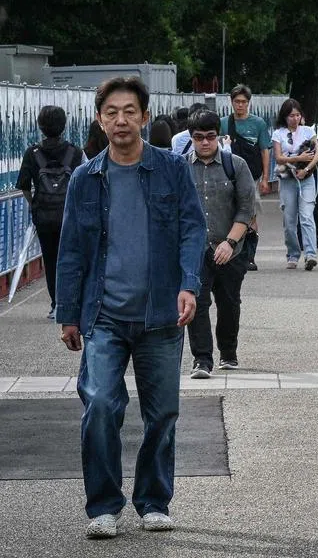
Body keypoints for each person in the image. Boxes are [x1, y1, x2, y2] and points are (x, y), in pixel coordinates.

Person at [55, 76, 207, 538]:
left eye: (129, 111)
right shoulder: (85, 178)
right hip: (104, 314)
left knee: (162, 413)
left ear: (143, 115)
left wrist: (189, 285)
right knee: (100, 401)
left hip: (162, 312)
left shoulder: (172, 169)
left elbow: (192, 230)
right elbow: (72, 249)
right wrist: (68, 312)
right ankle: (103, 505)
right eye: (111, 113)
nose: (120, 120)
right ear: (99, 120)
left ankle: (153, 500)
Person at [184, 109, 256, 379]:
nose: (205, 142)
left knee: (228, 303)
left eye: (210, 137)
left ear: (218, 136)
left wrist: (229, 241)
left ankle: (228, 352)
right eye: (198, 137)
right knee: (197, 304)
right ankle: (202, 359)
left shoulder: (235, 165)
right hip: (195, 251)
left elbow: (246, 209)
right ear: (191, 138)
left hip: (231, 249)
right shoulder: (180, 167)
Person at [17, 105, 84, 319]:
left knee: (51, 258)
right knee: (72, 259)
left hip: (44, 217)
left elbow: (25, 186)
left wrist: (35, 203)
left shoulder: (32, 153)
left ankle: (56, 305)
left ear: (40, 126)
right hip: (70, 215)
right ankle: (72, 302)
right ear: (64, 126)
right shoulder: (75, 152)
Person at [222, 85, 272, 271]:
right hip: (229, 175)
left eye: (243, 102)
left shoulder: (258, 124)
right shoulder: (224, 123)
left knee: (250, 213)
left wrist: (266, 178)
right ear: (232, 102)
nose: (240, 105)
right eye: (237, 102)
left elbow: (264, 151)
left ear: (249, 103)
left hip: (252, 176)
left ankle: (249, 256)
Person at [271, 99, 318, 270]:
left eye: (297, 115)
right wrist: (297, 159)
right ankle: (293, 253)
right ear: (285, 117)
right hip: (287, 179)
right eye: (291, 115)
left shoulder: (308, 131)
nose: (295, 118)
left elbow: (317, 154)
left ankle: (310, 254)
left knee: (307, 216)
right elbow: (278, 157)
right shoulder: (278, 134)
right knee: (289, 220)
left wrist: (306, 169)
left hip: (306, 178)